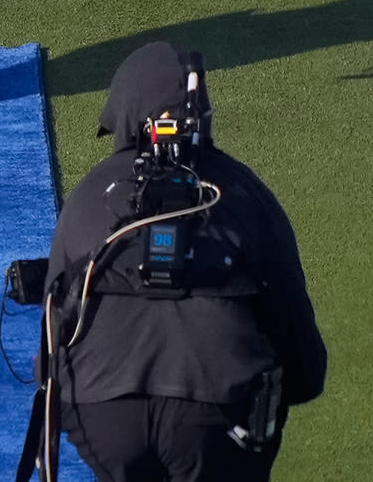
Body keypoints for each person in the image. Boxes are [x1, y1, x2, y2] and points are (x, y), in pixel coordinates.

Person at [40, 42, 326, 482]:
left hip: (103, 415)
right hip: (219, 413)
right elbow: (292, 326)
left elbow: (52, 330)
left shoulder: (88, 195)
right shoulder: (242, 191)